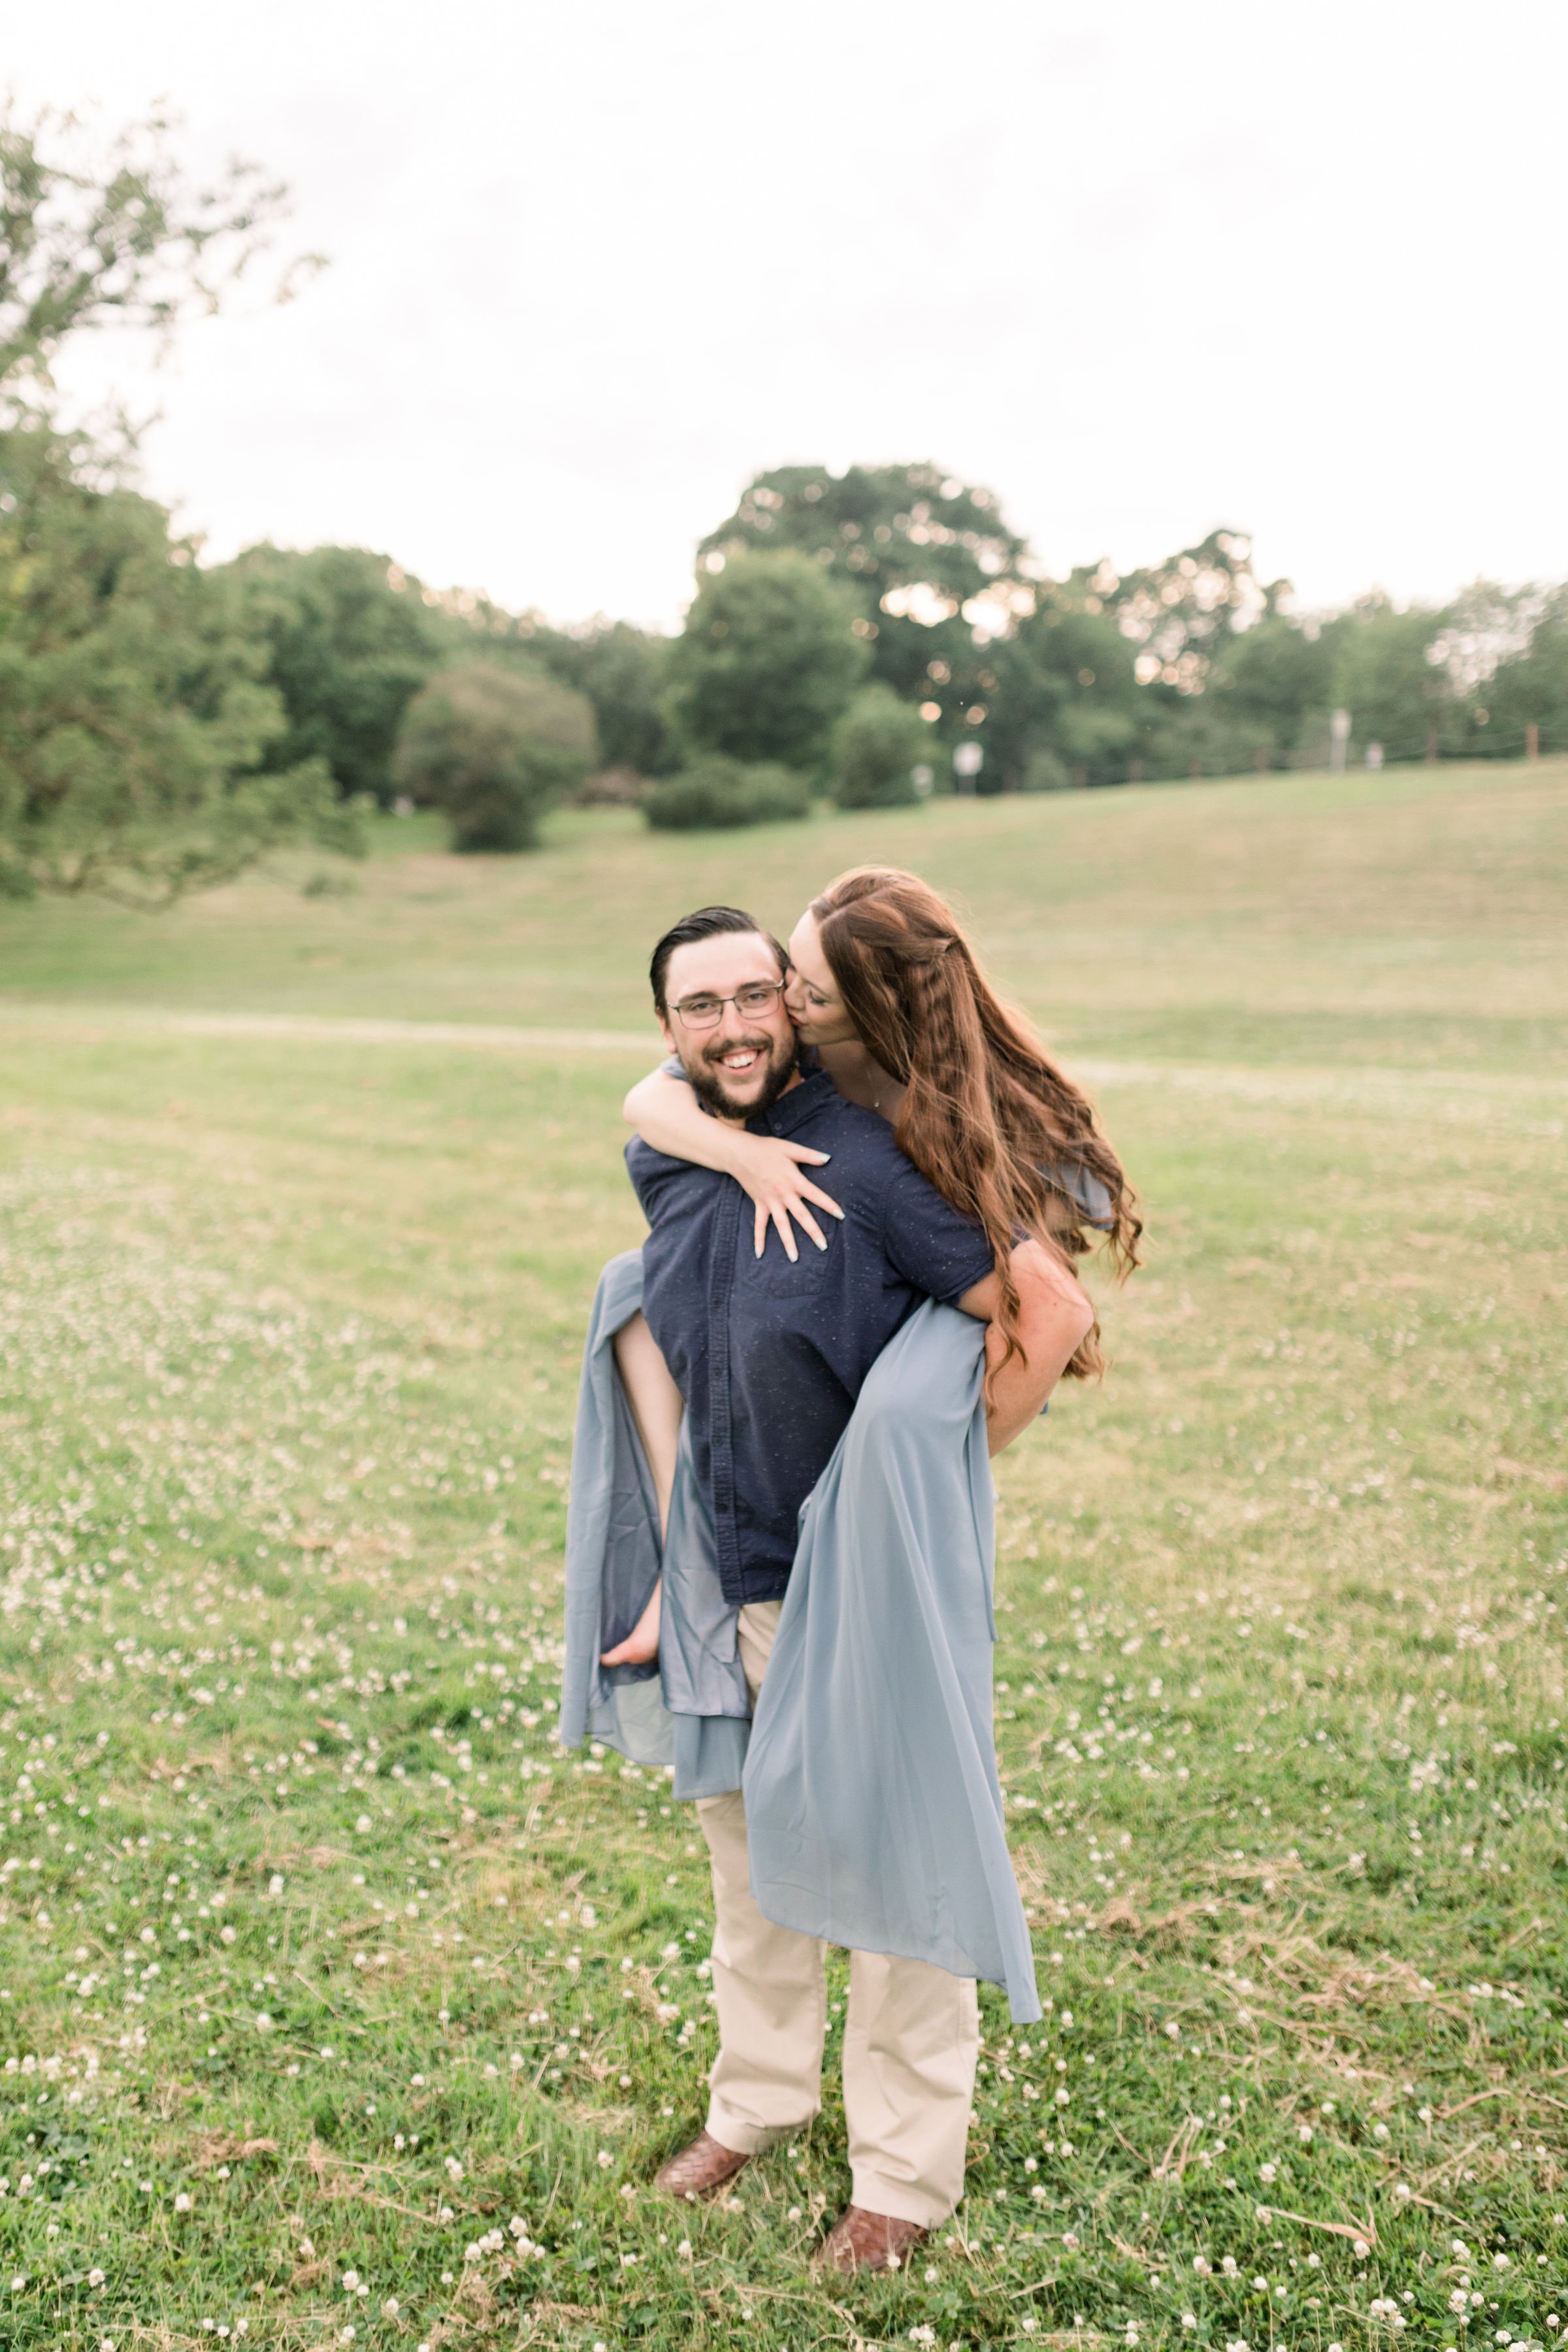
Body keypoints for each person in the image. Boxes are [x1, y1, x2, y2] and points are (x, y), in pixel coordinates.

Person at [604, 894, 1115, 2273]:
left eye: (753, 996)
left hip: (855, 1586)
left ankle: (902, 2177)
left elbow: (1048, 1313)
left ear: (794, 1002)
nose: (729, 1025)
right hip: (727, 1565)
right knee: (750, 1868)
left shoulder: (871, 1158)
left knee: (896, 1886)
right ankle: (756, 2106)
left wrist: (941, 1464)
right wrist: (711, 1136)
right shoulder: (681, 1142)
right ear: (668, 1028)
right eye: (695, 1006)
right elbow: (647, 1121)